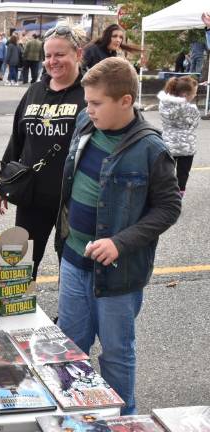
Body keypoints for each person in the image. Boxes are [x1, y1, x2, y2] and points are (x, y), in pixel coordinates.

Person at [55, 57, 181, 415]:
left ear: (125, 101)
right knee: (71, 347)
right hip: (74, 260)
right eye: (88, 102)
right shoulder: (85, 123)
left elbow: (168, 208)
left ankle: (121, 420)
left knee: (116, 353)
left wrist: (119, 243)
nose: (88, 110)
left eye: (96, 103)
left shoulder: (151, 149)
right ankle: (74, 414)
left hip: (117, 273)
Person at [0, 23, 88, 280]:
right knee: (21, 262)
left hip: (73, 199)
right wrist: (2, 183)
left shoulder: (90, 93)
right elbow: (17, 138)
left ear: (77, 54)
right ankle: (16, 310)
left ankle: (71, 317)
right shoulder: (35, 91)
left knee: (71, 265)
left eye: (60, 55)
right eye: (48, 56)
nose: (52, 61)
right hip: (32, 195)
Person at [158, 76, 200, 197]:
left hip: (168, 144)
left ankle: (163, 195)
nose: (195, 95)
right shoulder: (191, 110)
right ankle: (178, 196)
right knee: (183, 173)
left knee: (166, 173)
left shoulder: (163, 105)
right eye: (194, 93)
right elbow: (194, 124)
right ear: (185, 95)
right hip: (186, 147)